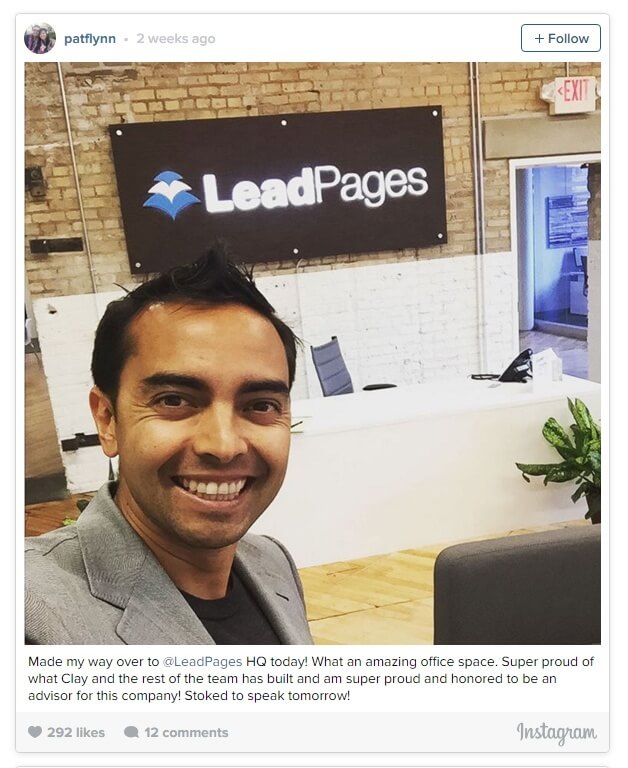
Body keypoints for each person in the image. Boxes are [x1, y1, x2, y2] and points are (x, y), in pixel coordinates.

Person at [25, 244, 313, 645]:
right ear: (107, 420)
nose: (224, 445)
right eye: (174, 400)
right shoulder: (30, 613)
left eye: (260, 405)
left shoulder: (272, 563)